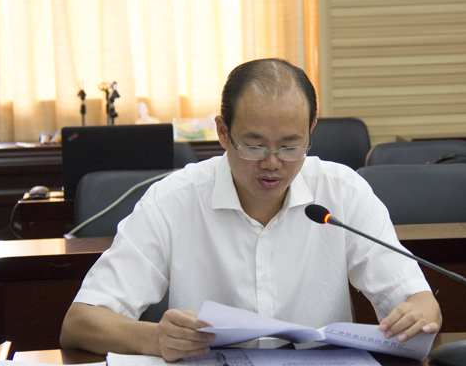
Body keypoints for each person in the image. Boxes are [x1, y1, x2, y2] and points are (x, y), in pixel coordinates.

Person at [60, 58, 442, 361]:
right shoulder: (173, 201)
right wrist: (156, 338)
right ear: (223, 132)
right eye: (254, 145)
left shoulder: (343, 193)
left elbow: (421, 303)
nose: (272, 163)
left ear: (311, 130)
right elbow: (80, 323)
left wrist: (419, 313)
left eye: (290, 146)